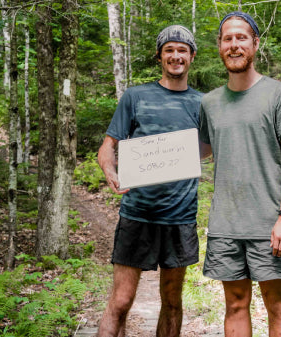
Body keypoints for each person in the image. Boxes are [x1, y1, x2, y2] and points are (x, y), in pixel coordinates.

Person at [198, 11, 281, 336]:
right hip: (225, 225)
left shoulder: (278, 94)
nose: (234, 45)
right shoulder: (210, 102)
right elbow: (200, 152)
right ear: (219, 46)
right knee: (234, 305)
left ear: (255, 44)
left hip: (269, 224)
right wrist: (139, 167)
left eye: (241, 38)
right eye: (227, 39)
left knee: (277, 305)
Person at [97, 25, 202, 337]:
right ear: (160, 56)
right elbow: (107, 147)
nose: (175, 56)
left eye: (182, 50)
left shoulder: (202, 103)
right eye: (169, 50)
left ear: (192, 56)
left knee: (172, 301)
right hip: (136, 214)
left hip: (180, 217)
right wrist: (111, 171)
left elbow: (205, 150)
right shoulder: (136, 96)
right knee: (121, 300)